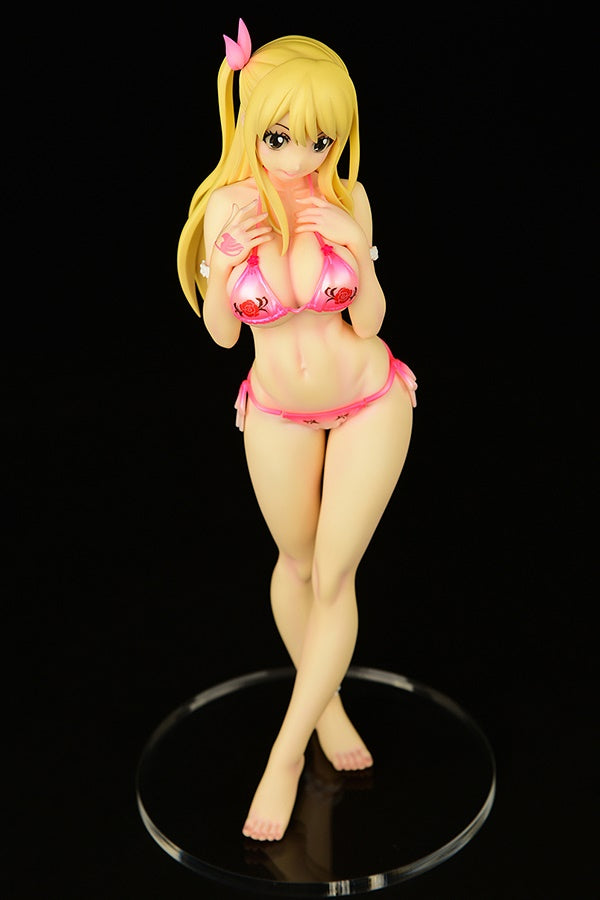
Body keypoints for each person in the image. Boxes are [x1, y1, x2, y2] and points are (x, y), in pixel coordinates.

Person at [177, 19, 417, 842]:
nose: (300, 156)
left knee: (335, 577)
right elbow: (221, 335)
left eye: (321, 139)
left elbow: (371, 318)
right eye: (281, 136)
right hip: (276, 409)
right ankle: (328, 706)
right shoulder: (228, 207)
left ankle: (284, 755)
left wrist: (358, 249)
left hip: (369, 398)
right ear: (250, 123)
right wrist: (222, 268)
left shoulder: (348, 198)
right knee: (297, 564)